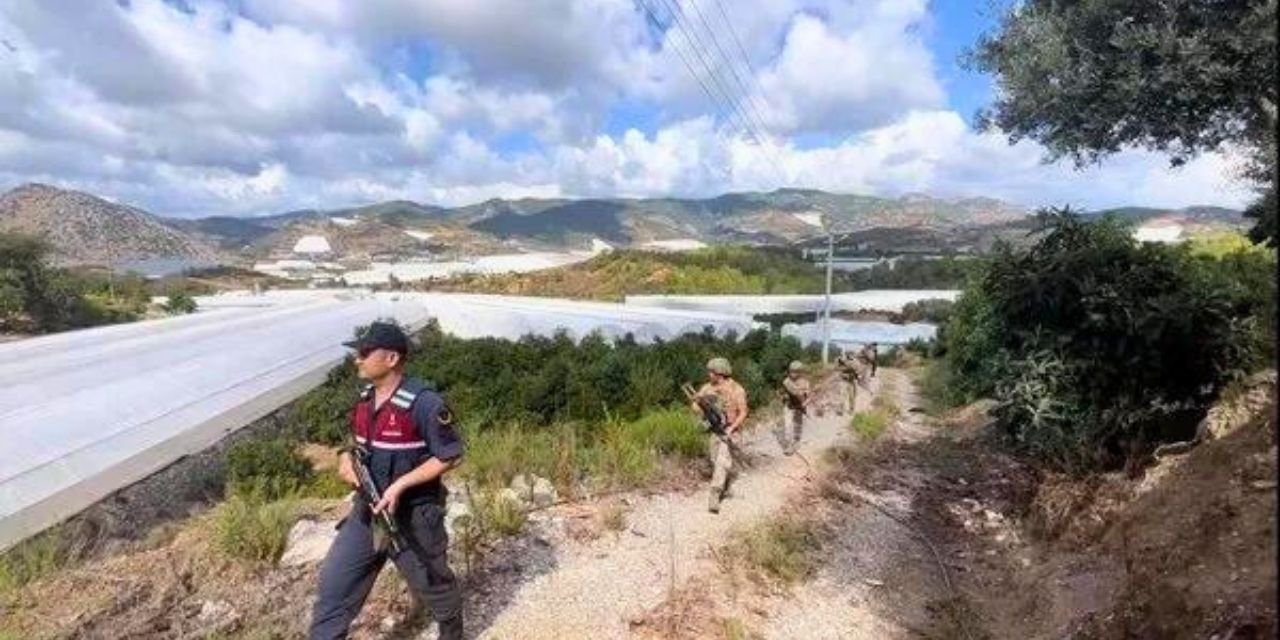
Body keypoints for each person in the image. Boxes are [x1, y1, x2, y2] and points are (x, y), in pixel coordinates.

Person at [309, 322, 464, 640]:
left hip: (413, 517)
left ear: (391, 358)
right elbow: (354, 445)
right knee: (334, 588)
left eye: (364, 353)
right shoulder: (365, 400)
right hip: (365, 515)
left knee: (432, 584)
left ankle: (452, 631)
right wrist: (344, 458)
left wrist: (402, 483)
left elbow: (449, 455)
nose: (358, 359)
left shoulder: (424, 403)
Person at [690, 356, 749, 513]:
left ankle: (714, 496)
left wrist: (732, 428)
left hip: (730, 430)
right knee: (716, 460)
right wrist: (698, 404)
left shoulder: (737, 389)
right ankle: (727, 487)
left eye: (711, 371)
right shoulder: (706, 388)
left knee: (722, 460)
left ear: (720, 373)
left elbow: (743, 412)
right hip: (714, 430)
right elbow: (695, 407)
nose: (709, 374)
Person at [780, 361, 811, 455]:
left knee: (798, 426)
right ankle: (789, 446)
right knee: (788, 426)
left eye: (795, 371)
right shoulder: (786, 381)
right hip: (789, 406)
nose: (792, 373)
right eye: (791, 371)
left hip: (799, 408)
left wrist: (806, 402)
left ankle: (796, 442)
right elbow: (796, 393)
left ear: (800, 372)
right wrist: (802, 399)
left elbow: (809, 395)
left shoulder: (805, 382)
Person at [835, 349, 860, 416]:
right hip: (844, 380)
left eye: (852, 354)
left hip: (852, 381)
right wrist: (841, 364)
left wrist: (845, 365)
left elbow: (855, 369)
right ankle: (841, 410)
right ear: (847, 355)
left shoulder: (856, 362)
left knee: (851, 397)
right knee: (842, 396)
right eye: (849, 354)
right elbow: (837, 368)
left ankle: (851, 410)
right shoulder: (842, 361)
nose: (850, 355)